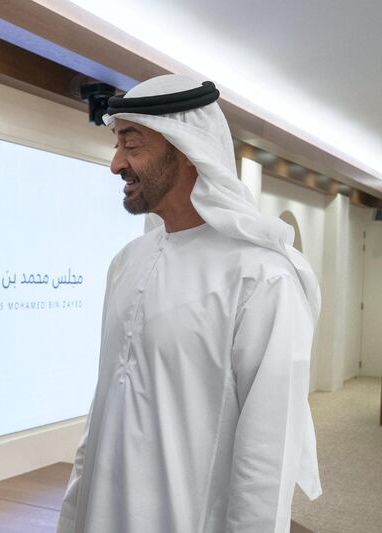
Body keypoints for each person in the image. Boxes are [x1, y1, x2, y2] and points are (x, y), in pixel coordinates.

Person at [57, 75, 321, 533]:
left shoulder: (263, 277)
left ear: (185, 151)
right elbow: (104, 408)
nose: (116, 163)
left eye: (132, 145)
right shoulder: (128, 262)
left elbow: (267, 454)